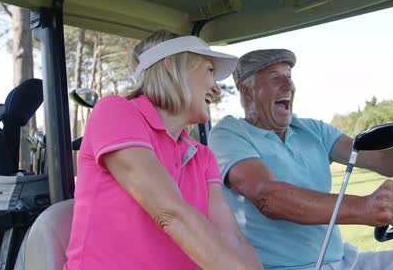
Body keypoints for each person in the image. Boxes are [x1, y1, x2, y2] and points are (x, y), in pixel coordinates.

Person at [208, 49, 393, 270]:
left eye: (289, 77)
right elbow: (268, 196)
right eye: (275, 78)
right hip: (288, 267)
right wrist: (365, 207)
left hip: (345, 261)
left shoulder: (311, 130)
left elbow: (379, 157)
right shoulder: (229, 133)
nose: (288, 86)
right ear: (246, 90)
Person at [64, 30, 262, 270]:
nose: (216, 88)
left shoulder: (203, 156)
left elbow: (232, 239)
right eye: (209, 71)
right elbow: (170, 213)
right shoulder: (114, 111)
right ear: (171, 67)